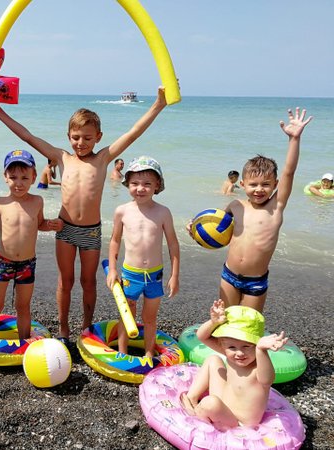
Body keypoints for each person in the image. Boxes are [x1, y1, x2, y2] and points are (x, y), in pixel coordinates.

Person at [0, 87, 167, 342]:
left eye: (87, 138)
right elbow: (27, 136)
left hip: (91, 231)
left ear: (98, 137)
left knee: (88, 282)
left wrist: (158, 105)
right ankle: (63, 329)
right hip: (65, 228)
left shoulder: (103, 158)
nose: (81, 143)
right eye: (76, 137)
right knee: (65, 281)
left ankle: (87, 327)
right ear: (68, 136)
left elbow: (133, 133)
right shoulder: (61, 158)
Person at [189, 107, 312, 312]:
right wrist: (195, 230)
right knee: (225, 319)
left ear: (275, 185)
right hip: (229, 275)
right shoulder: (235, 205)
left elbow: (289, 172)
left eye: (266, 184)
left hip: (255, 281)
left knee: (249, 324)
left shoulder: (275, 206)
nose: (259, 189)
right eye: (253, 184)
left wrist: (294, 139)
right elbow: (215, 227)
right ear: (243, 184)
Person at [0, 150, 63, 340]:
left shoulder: (37, 201)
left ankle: (24, 345)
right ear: (5, 177)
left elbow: (39, 224)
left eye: (24, 178)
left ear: (33, 177)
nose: (19, 183)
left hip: (27, 264)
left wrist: (51, 224)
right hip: (2, 262)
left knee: (23, 306)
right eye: (13, 177)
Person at [105, 156, 180, 359]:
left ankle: (148, 354)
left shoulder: (163, 212)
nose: (140, 188)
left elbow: (173, 244)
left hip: (155, 275)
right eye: (135, 183)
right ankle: (122, 352)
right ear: (127, 184)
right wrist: (113, 269)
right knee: (126, 315)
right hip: (131, 274)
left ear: (157, 185)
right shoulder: (122, 211)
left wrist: (174, 276)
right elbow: (114, 241)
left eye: (147, 184)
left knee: (150, 318)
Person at [180, 299, 288, 430]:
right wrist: (213, 322)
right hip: (223, 402)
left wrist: (261, 350)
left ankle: (195, 414)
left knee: (210, 403)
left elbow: (267, 380)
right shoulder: (233, 356)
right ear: (224, 345)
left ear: (256, 344)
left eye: (247, 346)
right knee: (213, 359)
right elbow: (202, 336)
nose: (239, 353)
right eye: (232, 347)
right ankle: (192, 398)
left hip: (237, 422)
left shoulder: (258, 367)